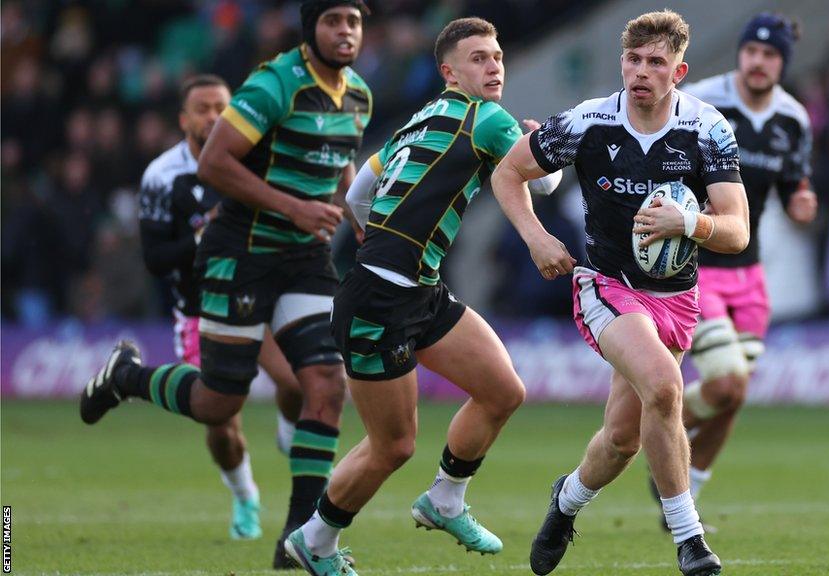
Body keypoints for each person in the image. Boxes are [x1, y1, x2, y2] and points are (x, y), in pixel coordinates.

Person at [78, 1, 372, 568]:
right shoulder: (274, 83)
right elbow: (214, 163)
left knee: (328, 386)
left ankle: (302, 540)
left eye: (354, 22)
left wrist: (359, 215)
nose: (345, 32)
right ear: (310, 29)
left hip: (304, 257)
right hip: (241, 253)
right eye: (333, 21)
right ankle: (127, 376)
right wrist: (294, 208)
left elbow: (341, 162)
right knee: (219, 402)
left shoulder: (359, 94)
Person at [282, 17, 562, 576]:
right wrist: (540, 146)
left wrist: (373, 232)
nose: (494, 66)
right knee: (393, 445)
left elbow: (360, 188)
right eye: (479, 58)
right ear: (449, 72)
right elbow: (546, 182)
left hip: (418, 290)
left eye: (498, 56)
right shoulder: (487, 120)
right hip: (378, 302)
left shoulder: (417, 122)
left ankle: (445, 500)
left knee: (502, 390)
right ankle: (313, 542)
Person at [491, 10, 749, 576]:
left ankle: (566, 503)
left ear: (678, 71)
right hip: (606, 286)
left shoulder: (707, 130)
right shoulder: (588, 122)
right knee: (664, 385)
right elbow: (507, 174)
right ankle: (690, 540)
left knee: (621, 440)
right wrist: (538, 239)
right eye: (633, 60)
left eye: (656, 62)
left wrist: (691, 225)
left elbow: (737, 229)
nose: (641, 72)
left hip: (677, 298)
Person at [655, 12, 817, 519]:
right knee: (726, 384)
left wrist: (801, 202)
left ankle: (688, 484)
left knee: (733, 395)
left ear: (781, 64)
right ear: (740, 55)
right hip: (699, 267)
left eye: (769, 55)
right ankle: (654, 425)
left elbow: (795, 184)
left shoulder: (794, 120)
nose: (758, 62)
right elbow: (657, 152)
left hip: (752, 274)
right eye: (751, 52)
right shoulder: (701, 103)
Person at [134, 73, 305, 541]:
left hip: (258, 297)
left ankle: (293, 449)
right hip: (202, 310)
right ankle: (246, 496)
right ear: (184, 118)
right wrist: (204, 238)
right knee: (220, 419)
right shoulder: (162, 176)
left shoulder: (253, 161)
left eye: (221, 108)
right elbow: (154, 260)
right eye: (203, 109)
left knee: (296, 383)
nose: (213, 117)